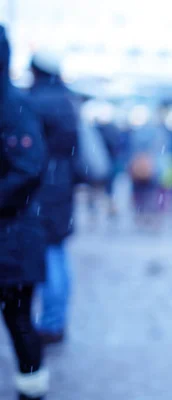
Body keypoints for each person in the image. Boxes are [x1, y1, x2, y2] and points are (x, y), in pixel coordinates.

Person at [1, 26, 50, 400]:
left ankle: (32, 390)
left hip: (13, 237)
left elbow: (29, 168)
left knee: (18, 320)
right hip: (15, 233)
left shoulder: (14, 106)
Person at [28, 49, 80, 344]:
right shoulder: (67, 100)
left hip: (42, 188)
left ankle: (50, 323)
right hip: (62, 186)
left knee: (48, 254)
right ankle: (56, 318)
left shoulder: (35, 102)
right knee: (58, 252)